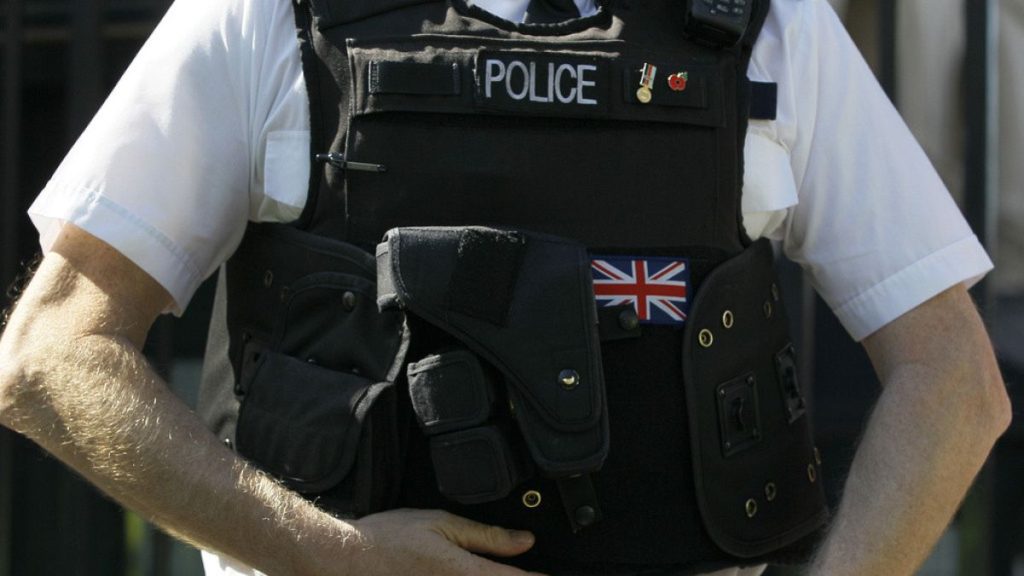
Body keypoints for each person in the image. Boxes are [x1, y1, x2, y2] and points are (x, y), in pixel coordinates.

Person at [0, 0, 1011, 575]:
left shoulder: (764, 26)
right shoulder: (267, 16)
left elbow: (953, 382)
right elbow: (51, 356)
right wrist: (324, 553)